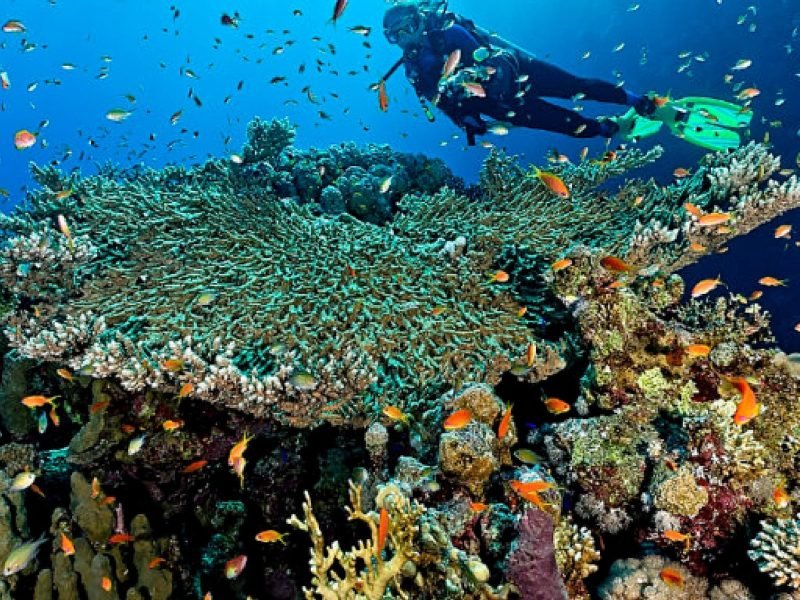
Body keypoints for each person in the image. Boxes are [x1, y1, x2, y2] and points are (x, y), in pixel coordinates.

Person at [381, 1, 750, 151]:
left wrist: (487, 73)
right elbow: (440, 102)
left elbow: (489, 54)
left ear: (418, 20)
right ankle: (612, 128)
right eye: (394, 36)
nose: (403, 39)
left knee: (578, 86)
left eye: (406, 28)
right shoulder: (414, 71)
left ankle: (642, 102)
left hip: (520, 73)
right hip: (501, 106)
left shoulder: (448, 33)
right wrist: (468, 121)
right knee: (568, 125)